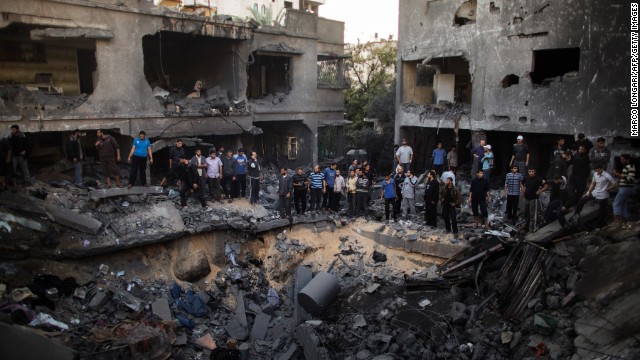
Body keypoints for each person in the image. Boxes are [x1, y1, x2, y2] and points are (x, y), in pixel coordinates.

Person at [521, 168, 548, 233]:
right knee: (525, 213)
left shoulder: (538, 179)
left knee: (533, 214)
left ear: (535, 172)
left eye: (532, 171)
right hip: (526, 198)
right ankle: (526, 226)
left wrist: (539, 191)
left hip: (533, 199)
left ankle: (532, 229)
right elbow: (521, 182)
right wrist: (523, 189)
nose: (531, 173)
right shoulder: (526, 178)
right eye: (529, 171)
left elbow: (546, 186)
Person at [612, 154, 636, 223]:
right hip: (625, 188)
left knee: (616, 203)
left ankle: (618, 220)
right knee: (623, 203)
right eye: (620, 159)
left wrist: (618, 175)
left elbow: (630, 179)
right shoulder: (627, 167)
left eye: (622, 159)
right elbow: (625, 177)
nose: (621, 161)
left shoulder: (630, 166)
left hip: (625, 188)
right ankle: (626, 217)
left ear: (628, 159)